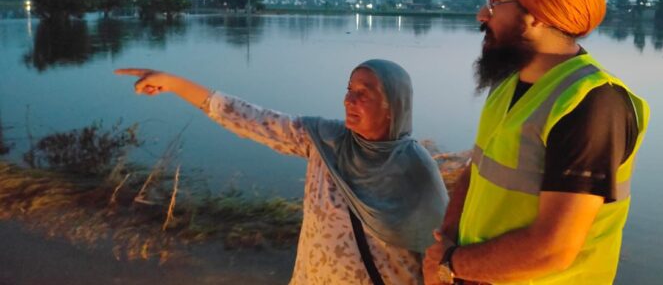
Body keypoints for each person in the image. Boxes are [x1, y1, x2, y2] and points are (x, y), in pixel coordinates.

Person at [423, 0, 650, 285]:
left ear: (537, 14)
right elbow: (476, 171)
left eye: (496, 3)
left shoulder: (592, 104)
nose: (482, 15)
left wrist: (452, 264)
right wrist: (447, 242)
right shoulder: (510, 83)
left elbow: (553, 248)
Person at [116, 59, 448, 285]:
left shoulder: (416, 170)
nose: (349, 100)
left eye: (363, 94)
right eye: (349, 90)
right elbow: (249, 118)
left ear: (395, 105)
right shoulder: (324, 142)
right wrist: (175, 83)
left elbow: (439, 252)